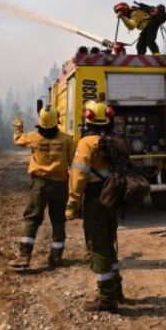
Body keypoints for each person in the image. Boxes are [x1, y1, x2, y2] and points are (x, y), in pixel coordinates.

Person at [66, 100, 126, 312]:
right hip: (112, 197)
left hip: (95, 199)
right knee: (109, 242)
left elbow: (78, 175)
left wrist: (72, 203)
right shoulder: (113, 140)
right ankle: (117, 289)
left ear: (88, 118)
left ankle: (107, 298)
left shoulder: (87, 143)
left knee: (97, 246)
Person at [9, 108, 75, 271]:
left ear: (41, 123)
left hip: (40, 185)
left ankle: (24, 256)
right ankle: (56, 257)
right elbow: (73, 163)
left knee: (32, 219)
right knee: (59, 220)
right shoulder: (67, 140)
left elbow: (17, 140)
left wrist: (18, 126)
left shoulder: (34, 137)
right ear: (56, 121)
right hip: (61, 185)